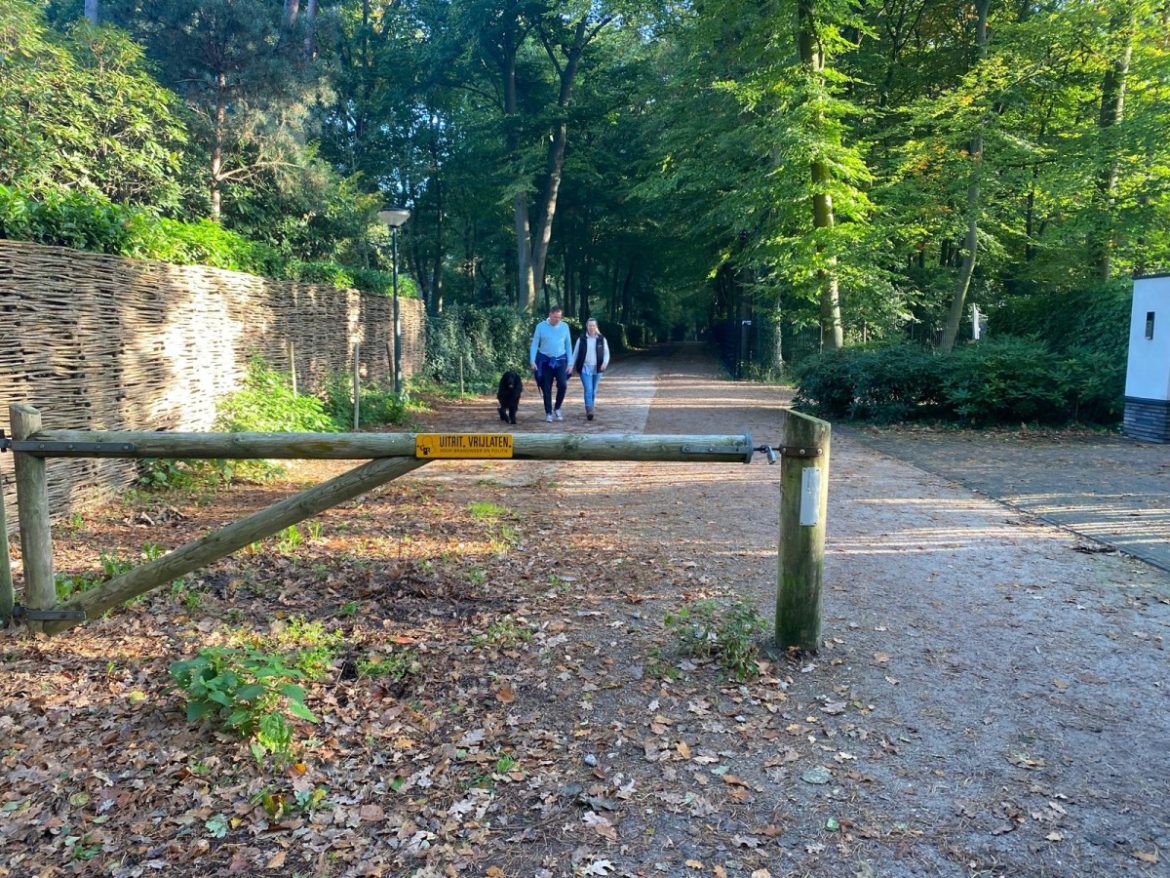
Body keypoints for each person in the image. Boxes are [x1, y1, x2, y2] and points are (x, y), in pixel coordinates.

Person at [529, 305, 572, 423]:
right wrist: (532, 360)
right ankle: (548, 412)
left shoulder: (564, 326)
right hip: (545, 360)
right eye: (555, 317)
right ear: (550, 315)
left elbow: (568, 345)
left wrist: (571, 363)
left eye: (559, 317)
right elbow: (535, 344)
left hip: (561, 360)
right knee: (546, 387)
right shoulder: (540, 326)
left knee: (563, 385)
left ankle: (557, 408)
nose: (557, 319)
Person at [571, 318, 610, 420]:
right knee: (588, 389)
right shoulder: (581, 339)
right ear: (586, 327)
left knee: (593, 390)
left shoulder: (601, 339)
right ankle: (589, 410)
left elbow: (606, 353)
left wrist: (605, 363)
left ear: (596, 327)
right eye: (589, 325)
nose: (591, 327)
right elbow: (575, 354)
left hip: (597, 368)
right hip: (584, 368)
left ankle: (591, 406)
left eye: (593, 325)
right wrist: (570, 365)